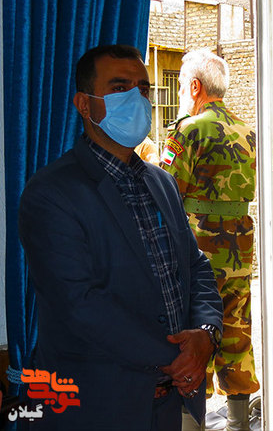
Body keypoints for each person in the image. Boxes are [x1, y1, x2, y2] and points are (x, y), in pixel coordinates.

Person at [18, 44, 223, 430]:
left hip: (168, 403)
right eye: (119, 88)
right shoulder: (51, 193)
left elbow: (195, 266)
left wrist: (206, 334)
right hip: (94, 407)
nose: (137, 98)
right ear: (84, 104)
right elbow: (79, 304)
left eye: (143, 88)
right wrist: (179, 357)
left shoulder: (161, 182)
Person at [160, 48, 258, 431]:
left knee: (194, 335)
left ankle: (191, 424)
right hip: (239, 254)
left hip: (199, 254)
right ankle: (238, 423)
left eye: (182, 86)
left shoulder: (189, 129)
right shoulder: (247, 132)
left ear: (195, 87)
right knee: (236, 333)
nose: (182, 92)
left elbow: (165, 191)